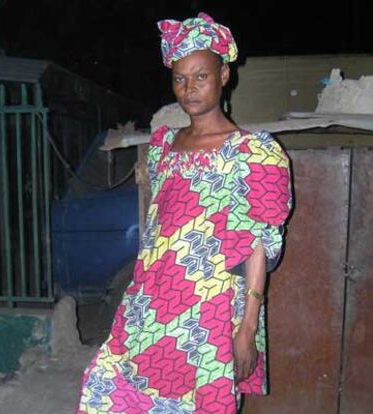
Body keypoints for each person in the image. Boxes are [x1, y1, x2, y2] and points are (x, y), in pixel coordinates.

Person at [77, 12, 292, 414]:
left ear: (224, 74)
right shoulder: (163, 146)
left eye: (200, 76)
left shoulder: (255, 152)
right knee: (107, 386)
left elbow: (259, 244)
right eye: (179, 78)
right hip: (151, 299)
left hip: (209, 309)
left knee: (200, 404)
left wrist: (246, 328)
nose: (189, 88)